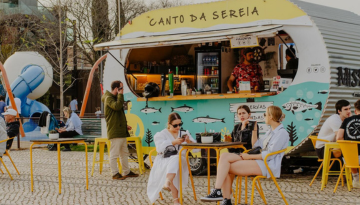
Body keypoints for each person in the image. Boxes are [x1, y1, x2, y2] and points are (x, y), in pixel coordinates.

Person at [201, 106, 289, 205]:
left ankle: (224, 198)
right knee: (224, 156)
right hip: (257, 159)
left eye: (265, 114)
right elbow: (256, 145)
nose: (264, 116)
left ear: (271, 117)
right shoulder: (270, 131)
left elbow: (269, 155)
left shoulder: (282, 133)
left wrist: (249, 157)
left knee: (226, 166)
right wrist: (254, 130)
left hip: (267, 165)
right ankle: (219, 193)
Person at [147, 112, 197, 205]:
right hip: (164, 159)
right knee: (174, 162)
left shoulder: (184, 133)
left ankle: (168, 182)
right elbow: (159, 148)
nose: (178, 127)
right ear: (169, 124)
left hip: (180, 160)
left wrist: (189, 141)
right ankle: (175, 199)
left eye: (180, 124)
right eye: (175, 125)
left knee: (176, 159)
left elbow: (196, 149)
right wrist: (173, 142)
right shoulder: (161, 134)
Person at [101, 80, 138, 180]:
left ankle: (126, 171)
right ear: (117, 89)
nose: (123, 90)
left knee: (124, 153)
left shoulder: (113, 98)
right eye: (121, 88)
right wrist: (120, 95)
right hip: (115, 131)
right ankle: (115, 173)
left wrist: (125, 125)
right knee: (114, 154)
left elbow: (116, 115)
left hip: (120, 130)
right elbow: (117, 107)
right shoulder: (108, 98)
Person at [336, 99, 360, 188]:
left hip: (349, 159)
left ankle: (356, 178)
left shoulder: (346, 121)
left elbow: (339, 137)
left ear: (355, 111)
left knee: (353, 154)